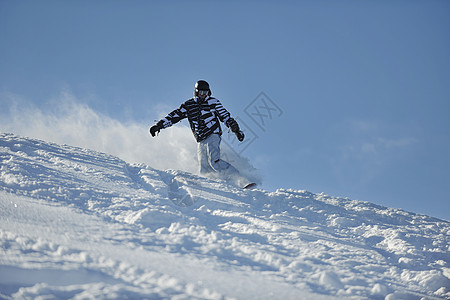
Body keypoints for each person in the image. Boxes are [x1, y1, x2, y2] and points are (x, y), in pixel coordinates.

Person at [149, 80, 252, 188]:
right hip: (201, 139)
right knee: (204, 169)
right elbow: (175, 116)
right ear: (196, 92)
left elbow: (225, 116)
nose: (203, 95)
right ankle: (218, 188)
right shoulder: (189, 105)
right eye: (200, 92)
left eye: (205, 92)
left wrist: (236, 130)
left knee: (214, 161)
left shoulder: (213, 102)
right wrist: (159, 125)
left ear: (209, 92)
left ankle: (242, 181)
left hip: (213, 133)